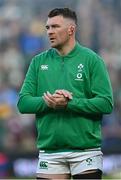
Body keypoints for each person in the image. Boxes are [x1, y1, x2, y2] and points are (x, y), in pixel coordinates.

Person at [17, 8, 113, 179]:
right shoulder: (38, 62)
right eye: (47, 28)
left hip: (85, 152)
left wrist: (69, 103)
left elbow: (106, 103)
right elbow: (23, 103)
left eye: (55, 26)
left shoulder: (92, 60)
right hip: (50, 152)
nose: (50, 32)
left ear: (71, 30)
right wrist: (49, 102)